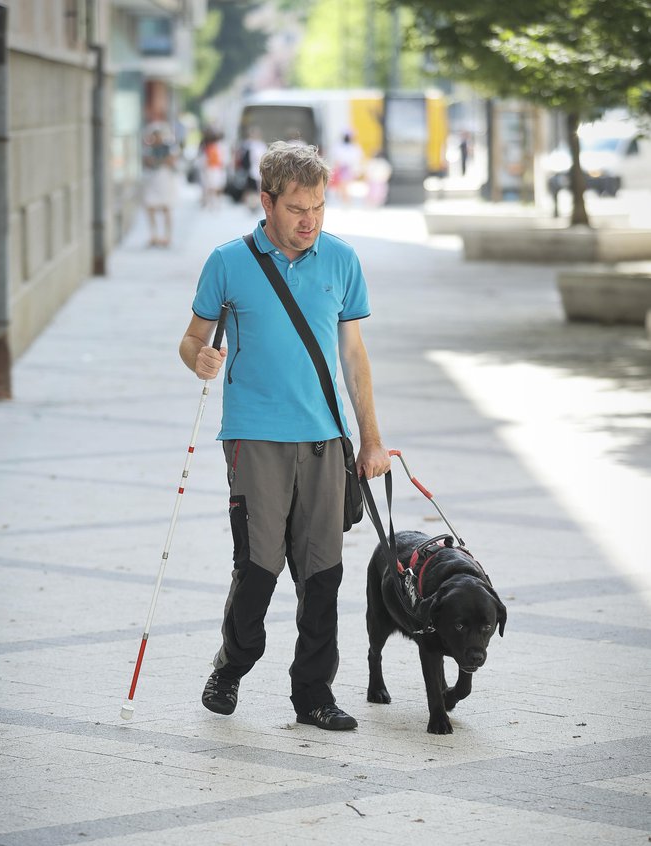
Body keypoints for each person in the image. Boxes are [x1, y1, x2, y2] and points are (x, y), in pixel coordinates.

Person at [179, 141, 390, 731]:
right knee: (259, 564)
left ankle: (313, 695)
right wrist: (199, 358)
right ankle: (233, 662)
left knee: (323, 571)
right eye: (298, 208)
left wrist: (371, 440)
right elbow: (191, 339)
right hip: (254, 437)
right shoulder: (229, 260)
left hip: (326, 440)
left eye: (319, 207)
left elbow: (353, 355)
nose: (310, 221)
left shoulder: (342, 261)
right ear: (266, 201)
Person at [142, 125, 178, 247]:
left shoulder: (168, 148)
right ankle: (154, 235)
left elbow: (171, 161)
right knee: (150, 206)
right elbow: (147, 162)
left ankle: (166, 236)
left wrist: (159, 161)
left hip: (165, 180)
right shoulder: (149, 148)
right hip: (154, 180)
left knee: (166, 208)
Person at [330, 131, 363, 204]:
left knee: (345, 185)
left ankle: (345, 199)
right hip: (343, 169)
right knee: (343, 185)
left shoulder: (353, 147)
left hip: (347, 169)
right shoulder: (341, 146)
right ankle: (345, 199)